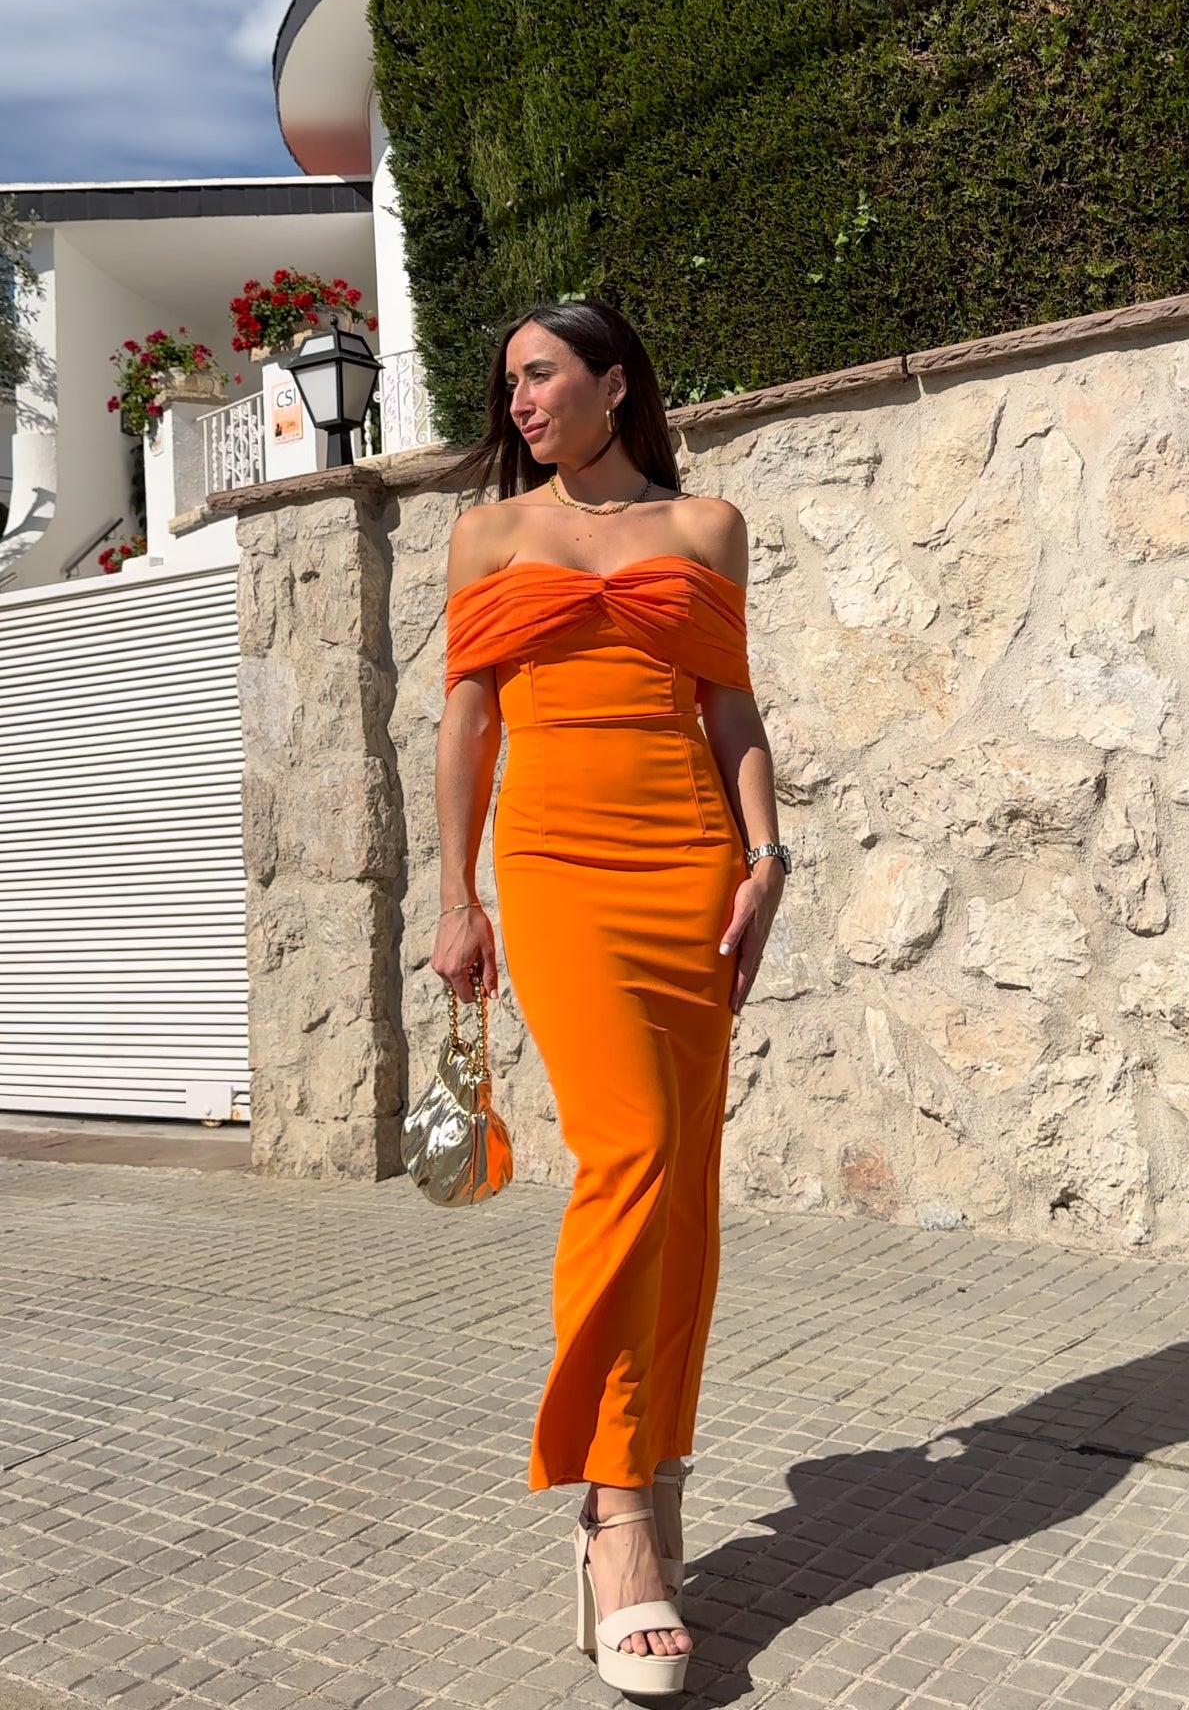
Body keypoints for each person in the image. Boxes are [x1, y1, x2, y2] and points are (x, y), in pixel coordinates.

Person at [431, 297, 789, 1697]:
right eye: (507, 384)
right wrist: (456, 899)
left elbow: (729, 708)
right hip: (557, 864)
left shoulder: (705, 530)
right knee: (629, 1151)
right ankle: (613, 1511)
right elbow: (465, 719)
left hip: (688, 861)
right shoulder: (489, 536)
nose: (517, 402)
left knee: (685, 1179)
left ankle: (658, 1453)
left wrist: (766, 858)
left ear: (611, 382)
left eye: (538, 375)